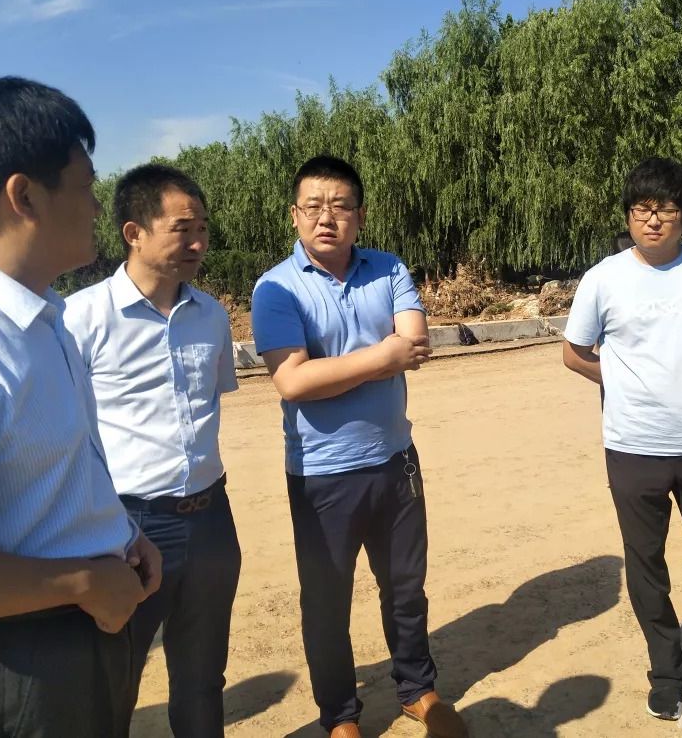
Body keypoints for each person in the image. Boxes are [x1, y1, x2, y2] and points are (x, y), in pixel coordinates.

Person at [0, 76, 161, 738]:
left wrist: (121, 536)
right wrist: (84, 581)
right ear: (24, 195)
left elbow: (50, 477)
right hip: (5, 662)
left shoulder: (44, 317)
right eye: (86, 186)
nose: (98, 205)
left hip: (79, 636)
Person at [250, 155, 467, 738]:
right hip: (322, 474)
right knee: (327, 601)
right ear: (294, 215)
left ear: (360, 215)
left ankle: (417, 688)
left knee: (405, 587)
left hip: (396, 461)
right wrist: (382, 356)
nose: (327, 218)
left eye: (340, 206)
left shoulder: (388, 267)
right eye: (314, 207)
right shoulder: (276, 287)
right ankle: (340, 715)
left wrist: (341, 368)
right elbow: (293, 382)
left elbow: (414, 344)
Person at [562, 157, 682, 721]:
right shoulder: (604, 278)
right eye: (642, 209)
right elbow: (574, 352)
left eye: (665, 209)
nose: (653, 219)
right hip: (633, 446)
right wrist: (618, 382)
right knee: (646, 566)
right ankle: (667, 673)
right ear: (628, 214)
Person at [63, 164, 240, 737]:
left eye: (203, 228)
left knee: (203, 677)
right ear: (133, 233)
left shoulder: (211, 316)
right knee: (113, 679)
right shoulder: (81, 318)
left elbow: (209, 401)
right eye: (182, 229)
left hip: (211, 520)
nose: (198, 243)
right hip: (128, 527)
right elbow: (66, 429)